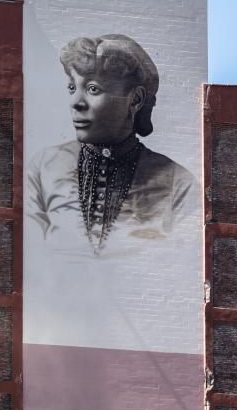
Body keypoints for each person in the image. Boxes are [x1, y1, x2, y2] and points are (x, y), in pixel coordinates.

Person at [27, 33, 195, 256]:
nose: (76, 102)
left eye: (93, 89)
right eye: (71, 88)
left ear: (134, 100)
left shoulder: (179, 184)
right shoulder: (42, 168)